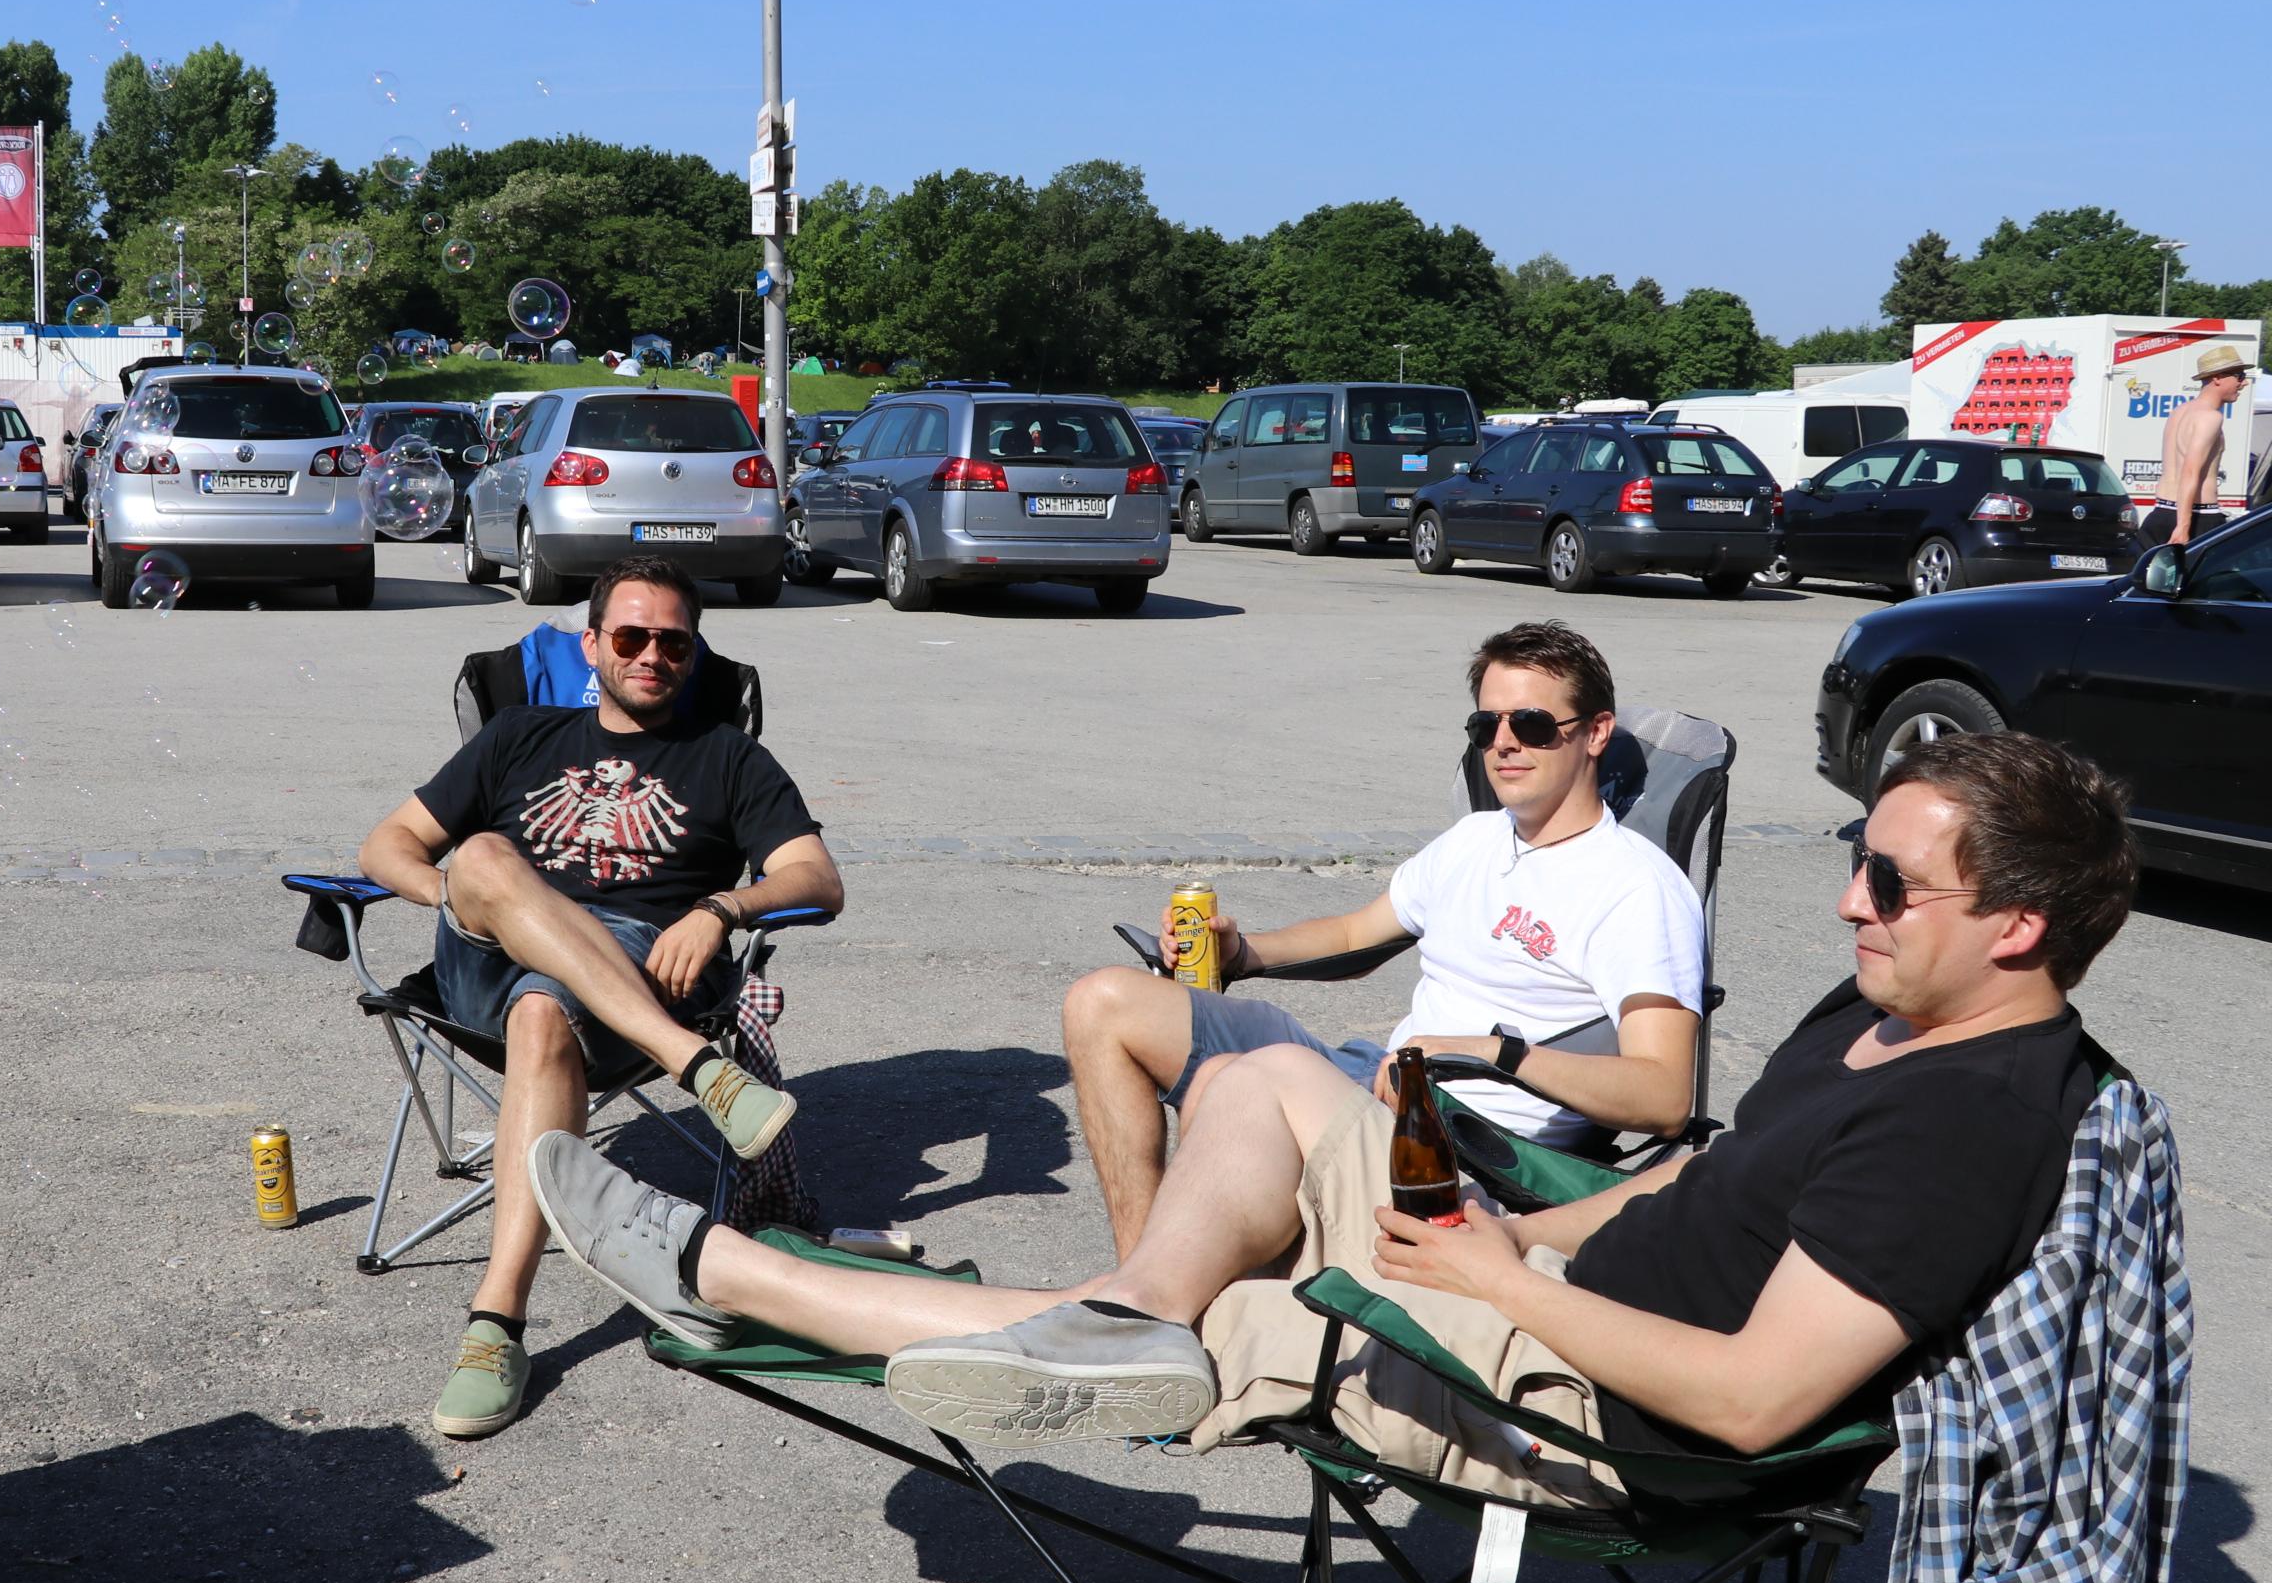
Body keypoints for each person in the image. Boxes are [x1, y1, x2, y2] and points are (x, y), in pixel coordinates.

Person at [529, 730, 2136, 1499]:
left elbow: (1756, 1401)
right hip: (1549, 1281)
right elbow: (1695, 1182)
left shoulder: (1967, 1122)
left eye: (1891, 883)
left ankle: (732, 1274)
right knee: (1263, 1073)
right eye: (1856, 861)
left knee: (1208, 1300)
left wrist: (1499, 1282)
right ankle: (1138, 1312)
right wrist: (1532, 1234)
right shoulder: (1880, 1013)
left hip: (1583, 1407)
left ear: (2018, 928)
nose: (1849, 901)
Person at [356, 556, 844, 1441]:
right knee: (484, 857)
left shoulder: (728, 757)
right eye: (630, 636)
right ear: (592, 646)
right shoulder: (520, 735)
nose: (651, 655)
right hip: (485, 963)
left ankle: (494, 1325)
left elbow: (816, 877)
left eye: (674, 643)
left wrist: (721, 908)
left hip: (635, 970)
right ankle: (697, 1068)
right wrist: (463, 896)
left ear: (694, 653)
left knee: (544, 1010)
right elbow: (387, 844)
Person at [1060, 621, 1705, 1257]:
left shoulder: (1637, 888)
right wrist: (1240, 953)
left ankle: (1164, 1293)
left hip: (1461, 1139)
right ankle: (1141, 1281)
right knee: (1103, 1003)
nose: (1505, 743)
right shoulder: (1476, 839)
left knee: (1230, 1080)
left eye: (1532, 724)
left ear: (1595, 732)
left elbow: (1664, 1095)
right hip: (1378, 1078)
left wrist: (1488, 1053)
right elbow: (1354, 933)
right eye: (1486, 726)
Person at [2143, 344, 2250, 547]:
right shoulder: (2210, 418)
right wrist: (2183, 526)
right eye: (2239, 376)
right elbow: (2190, 472)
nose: (2244, 383)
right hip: (2197, 519)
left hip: (2160, 515)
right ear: (2217, 377)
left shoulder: (2179, 412)